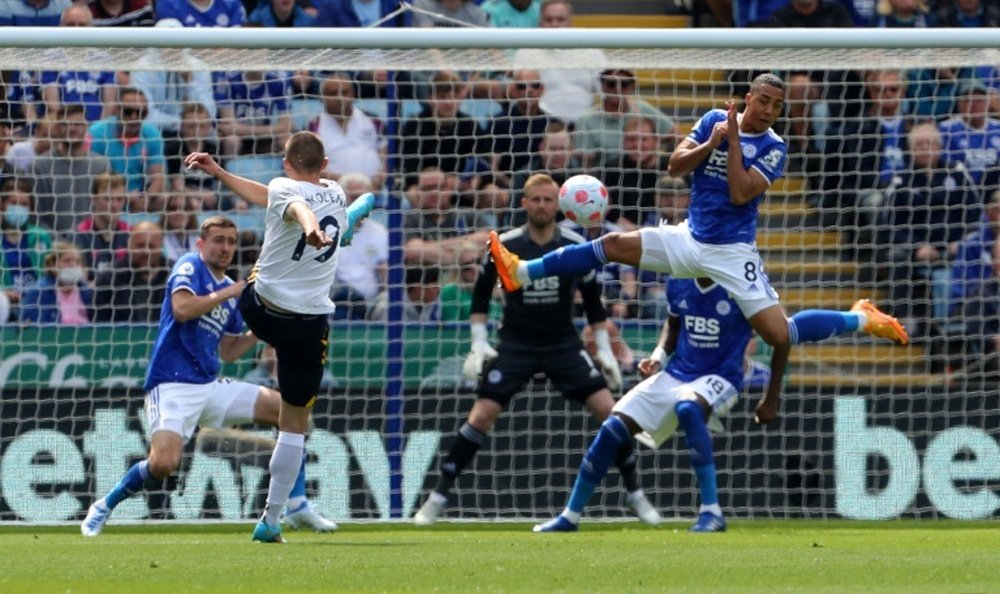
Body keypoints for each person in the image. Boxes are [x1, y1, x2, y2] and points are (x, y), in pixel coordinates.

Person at [489, 73, 910, 412]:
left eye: (777, 106)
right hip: (690, 237)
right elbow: (674, 166)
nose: (768, 110)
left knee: (779, 335)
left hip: (731, 251)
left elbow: (741, 193)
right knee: (615, 243)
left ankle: (861, 317)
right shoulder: (712, 120)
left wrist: (731, 146)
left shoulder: (774, 147)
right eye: (763, 100)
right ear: (748, 97)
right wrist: (713, 141)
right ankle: (523, 270)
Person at [413, 173, 660, 526]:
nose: (542, 206)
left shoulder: (575, 243)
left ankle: (636, 495)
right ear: (524, 203)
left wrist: (604, 347)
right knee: (481, 416)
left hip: (562, 342)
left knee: (611, 413)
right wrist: (479, 342)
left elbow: (592, 301)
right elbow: (481, 294)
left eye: (548, 200)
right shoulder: (507, 244)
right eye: (536, 200)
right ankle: (436, 500)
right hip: (517, 343)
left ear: (559, 205)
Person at [80, 216, 336, 537]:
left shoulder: (229, 291)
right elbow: (182, 309)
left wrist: (264, 326)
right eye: (218, 240)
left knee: (291, 414)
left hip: (210, 385)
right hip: (172, 383)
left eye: (231, 241)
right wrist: (229, 292)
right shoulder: (190, 266)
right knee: (163, 464)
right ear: (201, 244)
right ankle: (104, 505)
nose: (225, 247)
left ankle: (296, 503)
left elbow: (229, 351)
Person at [183, 131, 374, 543]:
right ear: (324, 165)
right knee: (294, 426)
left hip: (262, 309)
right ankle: (270, 517)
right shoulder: (337, 191)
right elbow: (290, 204)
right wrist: (319, 226)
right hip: (309, 324)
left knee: (259, 271)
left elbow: (294, 205)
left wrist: (308, 228)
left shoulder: (284, 186)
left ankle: (273, 522)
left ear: (286, 164)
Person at [534, 277, 779, 533]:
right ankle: (570, 516)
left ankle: (712, 512)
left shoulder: (740, 282)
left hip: (723, 376)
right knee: (613, 426)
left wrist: (771, 398)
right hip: (678, 372)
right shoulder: (680, 279)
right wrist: (658, 356)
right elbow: (673, 326)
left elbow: (781, 335)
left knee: (688, 408)